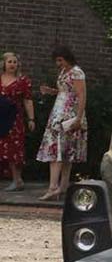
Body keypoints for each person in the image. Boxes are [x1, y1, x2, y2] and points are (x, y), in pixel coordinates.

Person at [36, 45, 87, 201]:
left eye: (60, 60)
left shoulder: (77, 72)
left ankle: (55, 187)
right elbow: (67, 91)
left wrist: (78, 118)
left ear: (67, 58)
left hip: (68, 114)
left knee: (61, 150)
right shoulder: (64, 72)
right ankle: (61, 187)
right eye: (57, 60)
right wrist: (52, 91)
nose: (58, 63)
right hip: (58, 111)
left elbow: (81, 95)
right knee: (61, 150)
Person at [0, 52, 36, 191]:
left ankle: (17, 180)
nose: (12, 64)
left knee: (14, 149)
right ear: (4, 63)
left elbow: (27, 100)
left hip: (14, 118)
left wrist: (31, 118)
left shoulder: (22, 81)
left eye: (15, 62)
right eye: (10, 62)